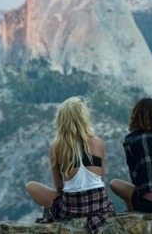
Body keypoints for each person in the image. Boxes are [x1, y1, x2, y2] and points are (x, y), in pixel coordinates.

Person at [25, 96, 114, 233]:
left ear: (61, 120)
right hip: (100, 205)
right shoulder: (98, 142)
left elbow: (59, 187)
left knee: (30, 186)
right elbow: (101, 180)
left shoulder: (56, 147)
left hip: (72, 207)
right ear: (84, 117)